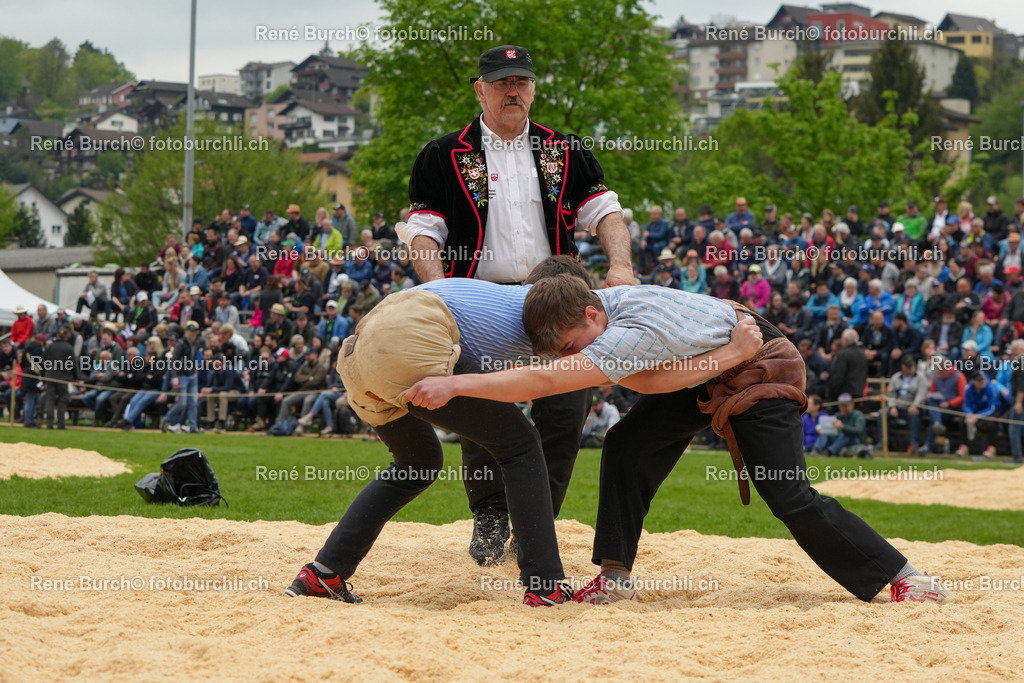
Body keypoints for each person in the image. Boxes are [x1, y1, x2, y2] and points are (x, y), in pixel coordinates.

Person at [407, 275, 952, 605]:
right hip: (715, 363)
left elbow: (555, 381)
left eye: (575, 344)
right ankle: (615, 576)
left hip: (761, 364)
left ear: (592, 312)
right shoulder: (607, 307)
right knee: (625, 443)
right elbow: (650, 380)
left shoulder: (630, 328)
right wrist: (723, 356)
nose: (574, 357)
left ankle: (904, 577)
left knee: (787, 494)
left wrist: (455, 383)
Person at [286, 264, 754, 606]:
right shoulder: (550, 317)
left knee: (417, 464)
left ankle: (323, 573)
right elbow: (541, 382)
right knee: (521, 446)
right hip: (415, 334)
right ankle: (545, 585)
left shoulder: (500, 297)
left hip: (360, 347)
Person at [399, 45, 637, 567]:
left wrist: (620, 265)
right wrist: (439, 294)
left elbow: (607, 211)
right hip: (482, 298)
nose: (514, 91)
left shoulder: (565, 150)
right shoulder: (443, 154)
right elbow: (423, 231)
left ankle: (536, 521)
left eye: (522, 82)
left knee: (564, 412)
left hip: (558, 296)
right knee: (486, 407)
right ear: (480, 89)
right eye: (502, 82)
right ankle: (489, 515)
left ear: (533, 89)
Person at [881, 356, 928, 454]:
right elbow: (891, 393)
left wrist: (915, 405)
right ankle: (882, 443)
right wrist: (892, 406)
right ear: (903, 367)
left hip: (913, 407)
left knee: (914, 415)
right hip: (897, 407)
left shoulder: (921, 378)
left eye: (911, 366)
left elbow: (921, 394)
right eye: (908, 367)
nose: (910, 368)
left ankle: (914, 445)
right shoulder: (896, 377)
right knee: (882, 413)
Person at [41, 327, 78, 429]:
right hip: (63, 378)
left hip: (50, 377)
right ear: (66, 336)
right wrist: (76, 377)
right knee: (63, 400)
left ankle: (49, 423)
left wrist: (43, 376)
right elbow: (73, 364)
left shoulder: (49, 347)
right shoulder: (69, 347)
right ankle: (61, 423)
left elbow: (43, 363)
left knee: (50, 400)